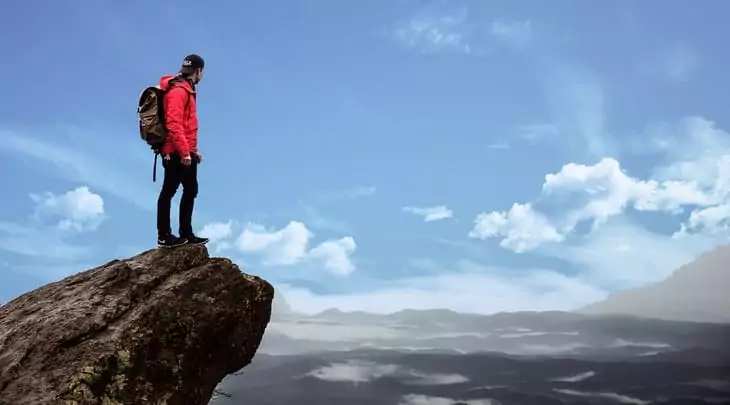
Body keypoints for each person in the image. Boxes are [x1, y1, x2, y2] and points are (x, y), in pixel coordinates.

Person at [156, 54, 209, 248]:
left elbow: (187, 125)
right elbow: (174, 123)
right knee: (168, 192)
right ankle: (164, 236)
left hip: (185, 150)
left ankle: (186, 233)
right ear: (199, 71)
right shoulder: (178, 91)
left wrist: (194, 150)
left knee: (191, 190)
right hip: (175, 151)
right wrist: (185, 152)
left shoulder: (187, 89)